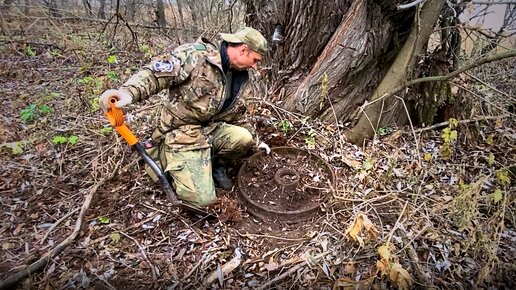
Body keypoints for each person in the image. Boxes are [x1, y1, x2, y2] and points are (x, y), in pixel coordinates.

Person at [99, 27, 271, 208]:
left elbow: (237, 114)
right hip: (180, 134)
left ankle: (213, 165)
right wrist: (128, 92)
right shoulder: (195, 56)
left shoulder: (240, 77)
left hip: (210, 129)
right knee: (203, 202)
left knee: (243, 138)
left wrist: (256, 140)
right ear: (243, 50)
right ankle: (166, 155)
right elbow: (155, 74)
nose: (255, 66)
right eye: (255, 60)